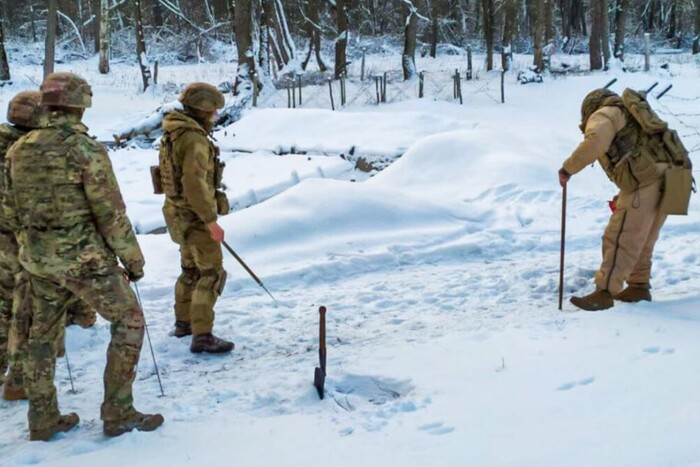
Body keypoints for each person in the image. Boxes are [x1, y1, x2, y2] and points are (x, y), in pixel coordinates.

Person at [3, 72, 163, 440]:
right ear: (80, 104)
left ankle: (42, 419)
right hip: (85, 261)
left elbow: (9, 212)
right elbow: (110, 213)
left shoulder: (19, 149)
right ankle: (118, 411)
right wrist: (133, 260)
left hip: (38, 260)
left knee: (40, 336)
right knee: (130, 321)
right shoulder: (84, 149)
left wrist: (36, 243)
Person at [0, 91, 96, 402]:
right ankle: (19, 379)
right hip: (23, 240)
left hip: (10, 237)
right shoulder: (31, 151)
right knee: (26, 310)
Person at [559, 88, 672, 311]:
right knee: (643, 237)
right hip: (672, 179)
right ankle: (638, 286)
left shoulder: (603, 114)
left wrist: (567, 169)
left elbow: (595, 143)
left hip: (645, 182)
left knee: (619, 236)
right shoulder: (631, 114)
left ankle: (604, 293)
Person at [157, 82, 234, 354]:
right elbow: (194, 183)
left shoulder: (174, 132)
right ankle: (202, 335)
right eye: (212, 110)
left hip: (177, 214)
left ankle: (184, 323)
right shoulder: (194, 139)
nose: (214, 116)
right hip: (194, 217)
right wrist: (211, 221)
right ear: (203, 110)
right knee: (210, 273)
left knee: (189, 269)